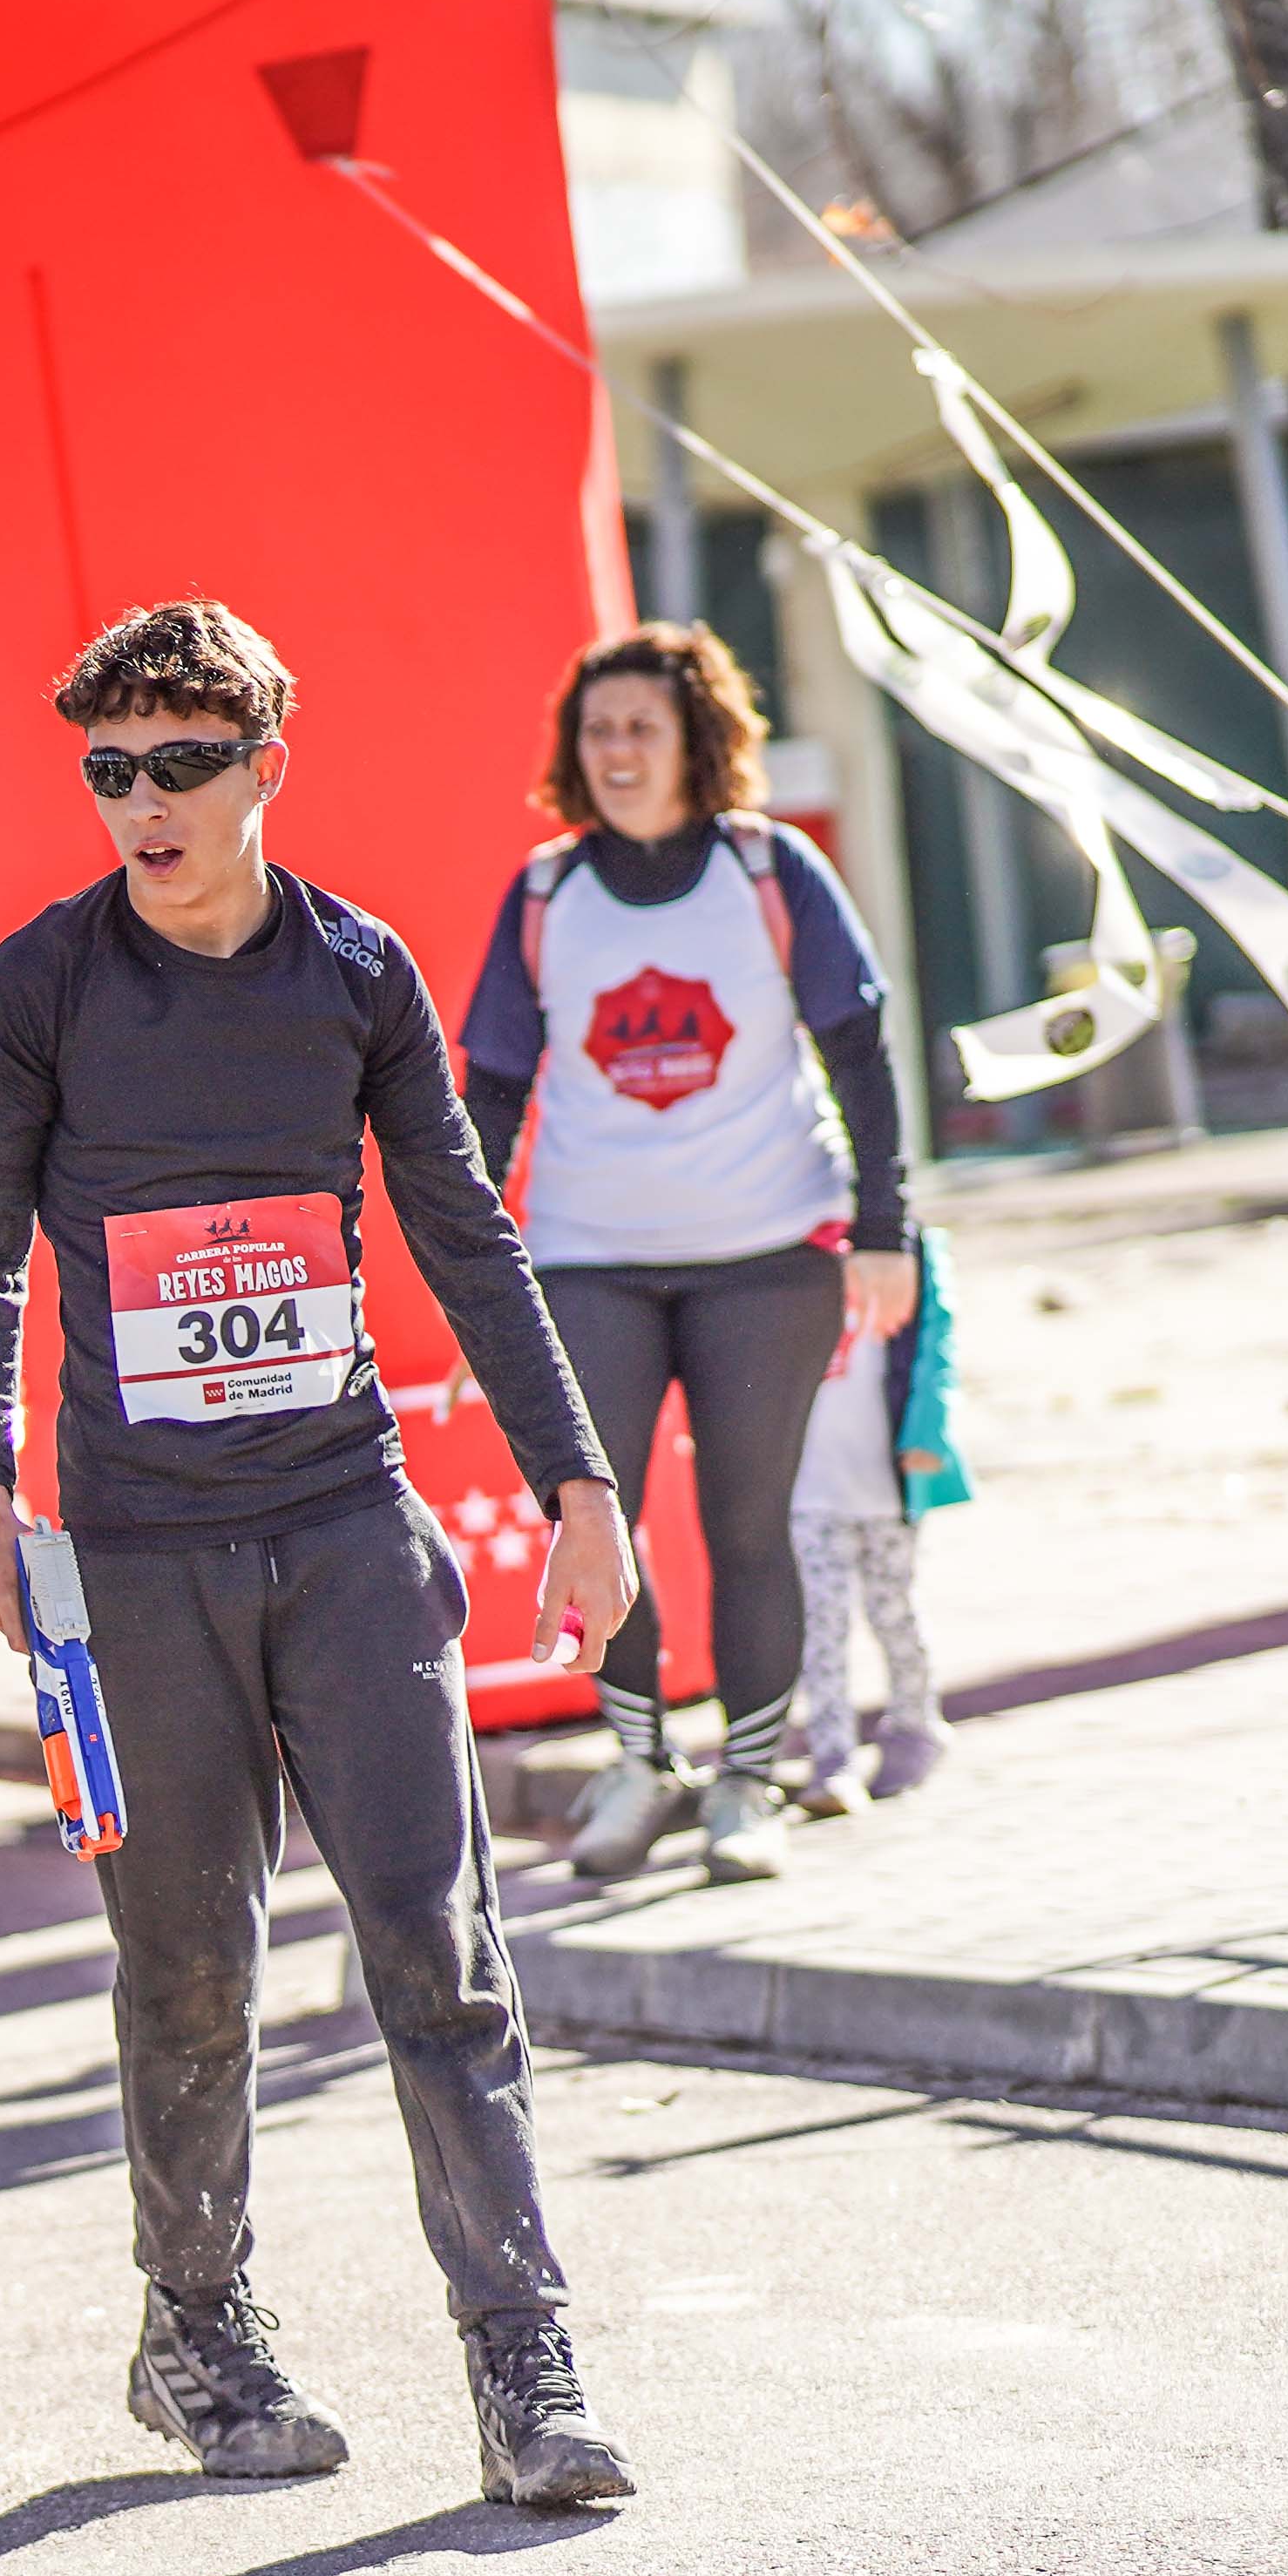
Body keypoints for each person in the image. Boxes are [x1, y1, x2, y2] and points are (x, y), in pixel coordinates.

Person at [0, 598, 644, 2511]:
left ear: (265, 768)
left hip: (341, 1522)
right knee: (189, 1970)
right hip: (139, 1550)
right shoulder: (45, 981)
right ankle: (196, 2327)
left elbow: (464, 1230)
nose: (141, 805)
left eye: (180, 765)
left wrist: (577, 1481)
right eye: (110, 772)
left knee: (439, 1946)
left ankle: (525, 2363)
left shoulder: (356, 970)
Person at [456, 622, 915, 1887]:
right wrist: (472, 1282)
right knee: (590, 1513)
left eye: (642, 729)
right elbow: (489, 1093)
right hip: (587, 1258)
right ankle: (641, 1763)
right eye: (598, 729)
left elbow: (863, 1057)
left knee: (745, 1523)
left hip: (767, 1254)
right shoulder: (547, 893)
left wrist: (885, 1232)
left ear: (695, 740)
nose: (617, 751)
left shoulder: (770, 869)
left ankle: (748, 1781)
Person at [790, 1220, 971, 1814]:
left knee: (893, 1610)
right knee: (820, 1620)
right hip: (808, 1481)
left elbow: (937, 1348)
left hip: (886, 1481)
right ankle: (832, 1756)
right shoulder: (782, 1245)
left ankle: (916, 1725)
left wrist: (929, 1434)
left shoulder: (906, 1246)